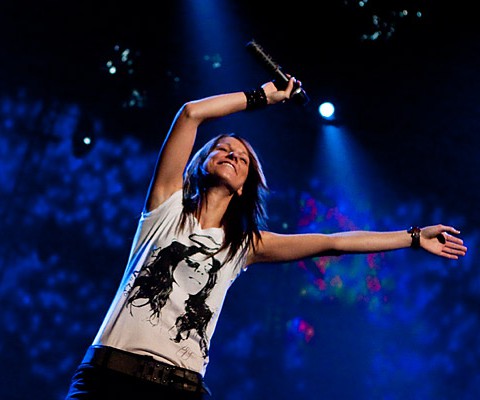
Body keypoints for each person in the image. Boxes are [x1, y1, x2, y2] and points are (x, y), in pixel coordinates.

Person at [65, 77, 467, 399]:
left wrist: (413, 237)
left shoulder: (244, 246)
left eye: (241, 158)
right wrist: (262, 97)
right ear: (199, 165)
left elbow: (334, 242)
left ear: (244, 187)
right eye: (222, 150)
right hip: (109, 377)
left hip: (180, 386)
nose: (232, 156)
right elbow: (189, 115)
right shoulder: (164, 212)